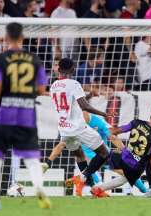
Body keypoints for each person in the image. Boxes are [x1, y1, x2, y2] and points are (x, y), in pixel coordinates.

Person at [0, 22, 51, 210]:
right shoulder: (35, 60)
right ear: (23, 37)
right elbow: (41, 89)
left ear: (6, 37)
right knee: (32, 159)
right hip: (27, 115)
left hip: (4, 115)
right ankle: (38, 187)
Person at [50, 58, 113, 197]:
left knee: (80, 156)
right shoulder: (74, 84)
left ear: (59, 69)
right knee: (105, 153)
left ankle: (94, 188)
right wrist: (104, 113)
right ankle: (83, 177)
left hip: (64, 129)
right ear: (72, 69)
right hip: (78, 127)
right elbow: (84, 106)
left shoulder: (53, 86)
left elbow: (69, 103)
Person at [42, 111, 148, 194]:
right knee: (89, 170)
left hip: (103, 153)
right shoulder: (75, 125)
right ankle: (91, 189)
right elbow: (62, 144)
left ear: (86, 113)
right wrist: (48, 162)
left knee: (127, 172)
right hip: (88, 156)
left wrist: (124, 150)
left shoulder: (98, 122)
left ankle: (144, 190)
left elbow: (112, 136)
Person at [90, 107, 151, 198]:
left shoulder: (136, 122)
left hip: (123, 156)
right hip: (135, 166)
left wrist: (105, 130)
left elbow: (114, 131)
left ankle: (94, 185)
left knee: (104, 157)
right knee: (148, 158)